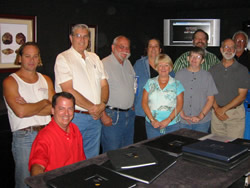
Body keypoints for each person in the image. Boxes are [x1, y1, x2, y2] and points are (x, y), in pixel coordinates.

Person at [3, 42, 55, 188]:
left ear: (39, 59)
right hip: (25, 137)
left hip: (47, 134)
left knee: (47, 179)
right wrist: (45, 101)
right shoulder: (11, 81)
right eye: (27, 56)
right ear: (20, 58)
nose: (32, 60)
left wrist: (29, 106)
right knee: (25, 182)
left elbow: (54, 110)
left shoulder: (46, 79)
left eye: (35, 56)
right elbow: (20, 112)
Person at [54, 24, 109, 159]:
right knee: (71, 159)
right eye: (78, 36)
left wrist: (102, 104)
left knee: (92, 159)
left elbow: (104, 85)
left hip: (95, 118)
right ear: (71, 38)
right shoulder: (63, 58)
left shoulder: (95, 58)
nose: (82, 39)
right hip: (75, 118)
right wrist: (93, 108)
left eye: (85, 36)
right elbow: (68, 90)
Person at [29, 92, 86, 176]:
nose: (66, 113)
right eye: (61, 109)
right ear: (52, 110)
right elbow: (37, 165)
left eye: (70, 109)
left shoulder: (75, 129)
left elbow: (82, 161)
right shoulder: (45, 136)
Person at [133, 38, 175, 142]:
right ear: (147, 49)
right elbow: (133, 85)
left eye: (156, 46)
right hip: (142, 112)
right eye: (150, 46)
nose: (153, 49)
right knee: (141, 145)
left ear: (160, 49)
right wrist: (132, 101)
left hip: (162, 114)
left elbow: (174, 88)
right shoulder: (139, 64)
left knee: (160, 143)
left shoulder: (167, 65)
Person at [101, 36, 135, 153]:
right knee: (112, 154)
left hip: (129, 115)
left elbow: (133, 84)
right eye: (121, 47)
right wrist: (103, 115)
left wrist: (131, 102)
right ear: (113, 47)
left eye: (127, 48)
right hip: (112, 116)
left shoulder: (128, 63)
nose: (125, 50)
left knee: (127, 153)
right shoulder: (103, 64)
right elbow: (96, 92)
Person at [209, 39, 250, 138]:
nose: (229, 50)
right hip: (216, 114)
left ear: (235, 50)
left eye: (232, 47)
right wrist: (217, 109)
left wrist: (223, 110)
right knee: (216, 147)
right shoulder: (213, 69)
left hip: (235, 115)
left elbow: (242, 96)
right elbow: (209, 92)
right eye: (226, 47)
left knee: (234, 149)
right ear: (221, 49)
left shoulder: (242, 70)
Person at [175, 47, 218, 133]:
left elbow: (211, 99)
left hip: (202, 122)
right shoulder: (179, 75)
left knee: (199, 145)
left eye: (198, 57)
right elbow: (175, 96)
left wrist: (200, 116)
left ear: (202, 61)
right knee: (183, 144)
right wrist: (181, 113)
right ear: (188, 58)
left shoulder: (207, 76)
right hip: (183, 120)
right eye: (192, 56)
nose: (194, 59)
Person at [142, 54, 184, 139]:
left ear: (170, 67)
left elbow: (180, 105)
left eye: (166, 65)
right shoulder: (150, 83)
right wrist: (152, 120)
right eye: (160, 65)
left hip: (172, 125)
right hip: (152, 125)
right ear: (156, 67)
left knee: (170, 150)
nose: (163, 68)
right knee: (153, 149)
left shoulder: (177, 84)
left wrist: (168, 120)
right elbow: (144, 103)